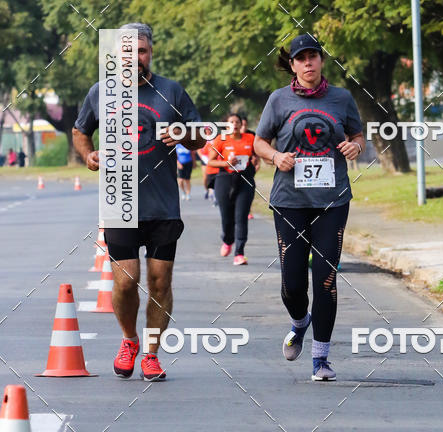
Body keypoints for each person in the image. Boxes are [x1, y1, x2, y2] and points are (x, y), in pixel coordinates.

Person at [73, 22, 203, 382]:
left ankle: (151, 353)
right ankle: (129, 340)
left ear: (151, 52)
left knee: (160, 282)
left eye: (141, 51)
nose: (135, 59)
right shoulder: (101, 92)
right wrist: (88, 155)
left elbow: (199, 136)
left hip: (163, 205)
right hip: (120, 200)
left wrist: (181, 133)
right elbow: (81, 130)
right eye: (128, 52)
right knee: (127, 281)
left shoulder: (171, 92)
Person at [254, 33, 365, 382]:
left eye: (313, 56)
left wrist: (355, 147)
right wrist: (276, 157)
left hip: (332, 200)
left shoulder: (341, 98)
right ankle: (299, 322)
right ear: (292, 65)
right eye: (301, 58)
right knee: (292, 283)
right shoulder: (278, 100)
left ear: (321, 60)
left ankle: (321, 359)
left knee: (326, 280)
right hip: (290, 202)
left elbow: (358, 135)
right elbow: (259, 142)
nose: (308, 63)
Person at [206, 112, 257, 265]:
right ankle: (228, 240)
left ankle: (239, 253)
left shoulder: (250, 138)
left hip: (244, 180)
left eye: (237, 122)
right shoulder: (221, 139)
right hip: (224, 180)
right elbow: (211, 162)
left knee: (241, 217)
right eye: (231, 122)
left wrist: (257, 160)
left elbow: (258, 153)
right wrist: (227, 163)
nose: (234, 124)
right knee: (227, 218)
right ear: (226, 126)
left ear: (242, 125)